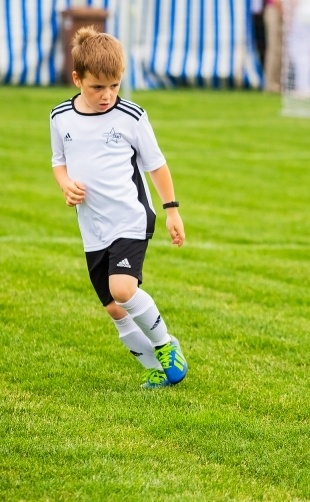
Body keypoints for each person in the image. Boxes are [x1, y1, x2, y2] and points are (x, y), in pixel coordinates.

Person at [49, 27, 188, 389]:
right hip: (92, 227)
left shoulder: (132, 116)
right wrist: (65, 185)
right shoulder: (60, 117)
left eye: (114, 85)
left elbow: (157, 165)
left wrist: (172, 210)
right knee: (113, 306)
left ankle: (166, 346)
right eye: (97, 87)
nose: (107, 95)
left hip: (130, 218)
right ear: (77, 78)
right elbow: (58, 161)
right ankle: (156, 370)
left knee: (123, 290)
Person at [264, 0, 283, 93]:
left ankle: (278, 82)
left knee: (281, 50)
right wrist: (279, 5)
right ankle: (271, 83)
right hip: (274, 9)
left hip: (284, 10)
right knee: (274, 49)